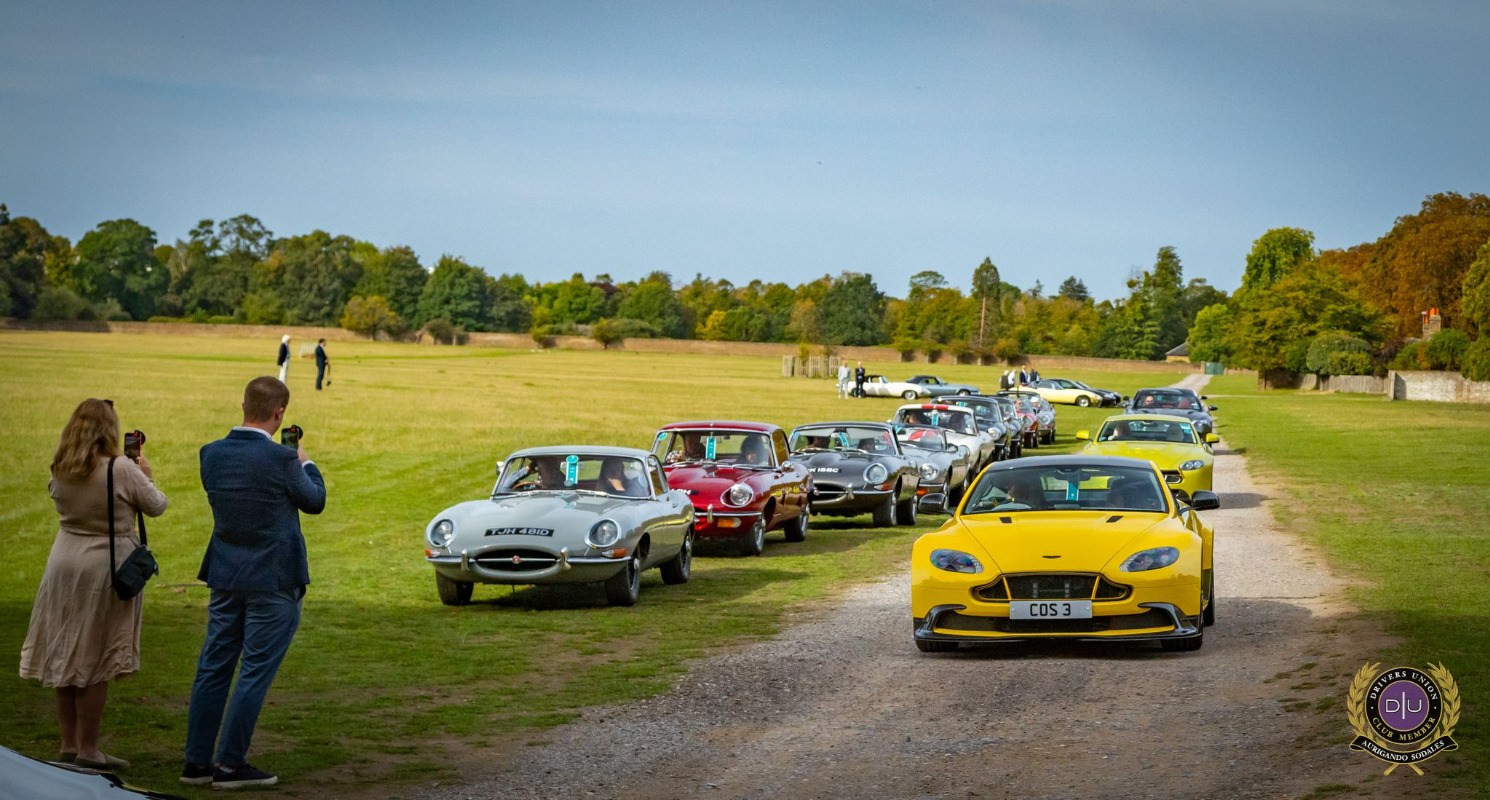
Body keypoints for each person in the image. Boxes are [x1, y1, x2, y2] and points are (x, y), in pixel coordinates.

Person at [182, 377, 326, 789]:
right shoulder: (282, 459)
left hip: (226, 572)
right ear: (279, 414)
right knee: (254, 671)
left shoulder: (211, 453)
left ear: (243, 406)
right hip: (273, 577)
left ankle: (196, 762)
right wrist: (305, 462)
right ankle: (230, 764)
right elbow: (314, 501)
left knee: (214, 667)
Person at [20, 399, 169, 770]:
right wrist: (146, 474)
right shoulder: (121, 468)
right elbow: (156, 505)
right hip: (104, 568)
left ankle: (69, 744)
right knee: (95, 658)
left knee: (66, 651)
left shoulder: (62, 466)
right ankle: (88, 749)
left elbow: (59, 499)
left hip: (63, 561)